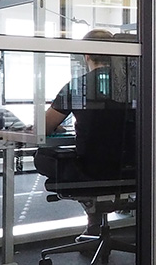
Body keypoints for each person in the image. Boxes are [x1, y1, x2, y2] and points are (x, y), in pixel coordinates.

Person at [41, 29, 136, 182]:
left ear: (86, 56)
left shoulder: (77, 86)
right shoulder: (134, 85)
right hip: (137, 170)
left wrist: (53, 125)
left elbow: (43, 128)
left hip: (93, 172)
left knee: (42, 157)